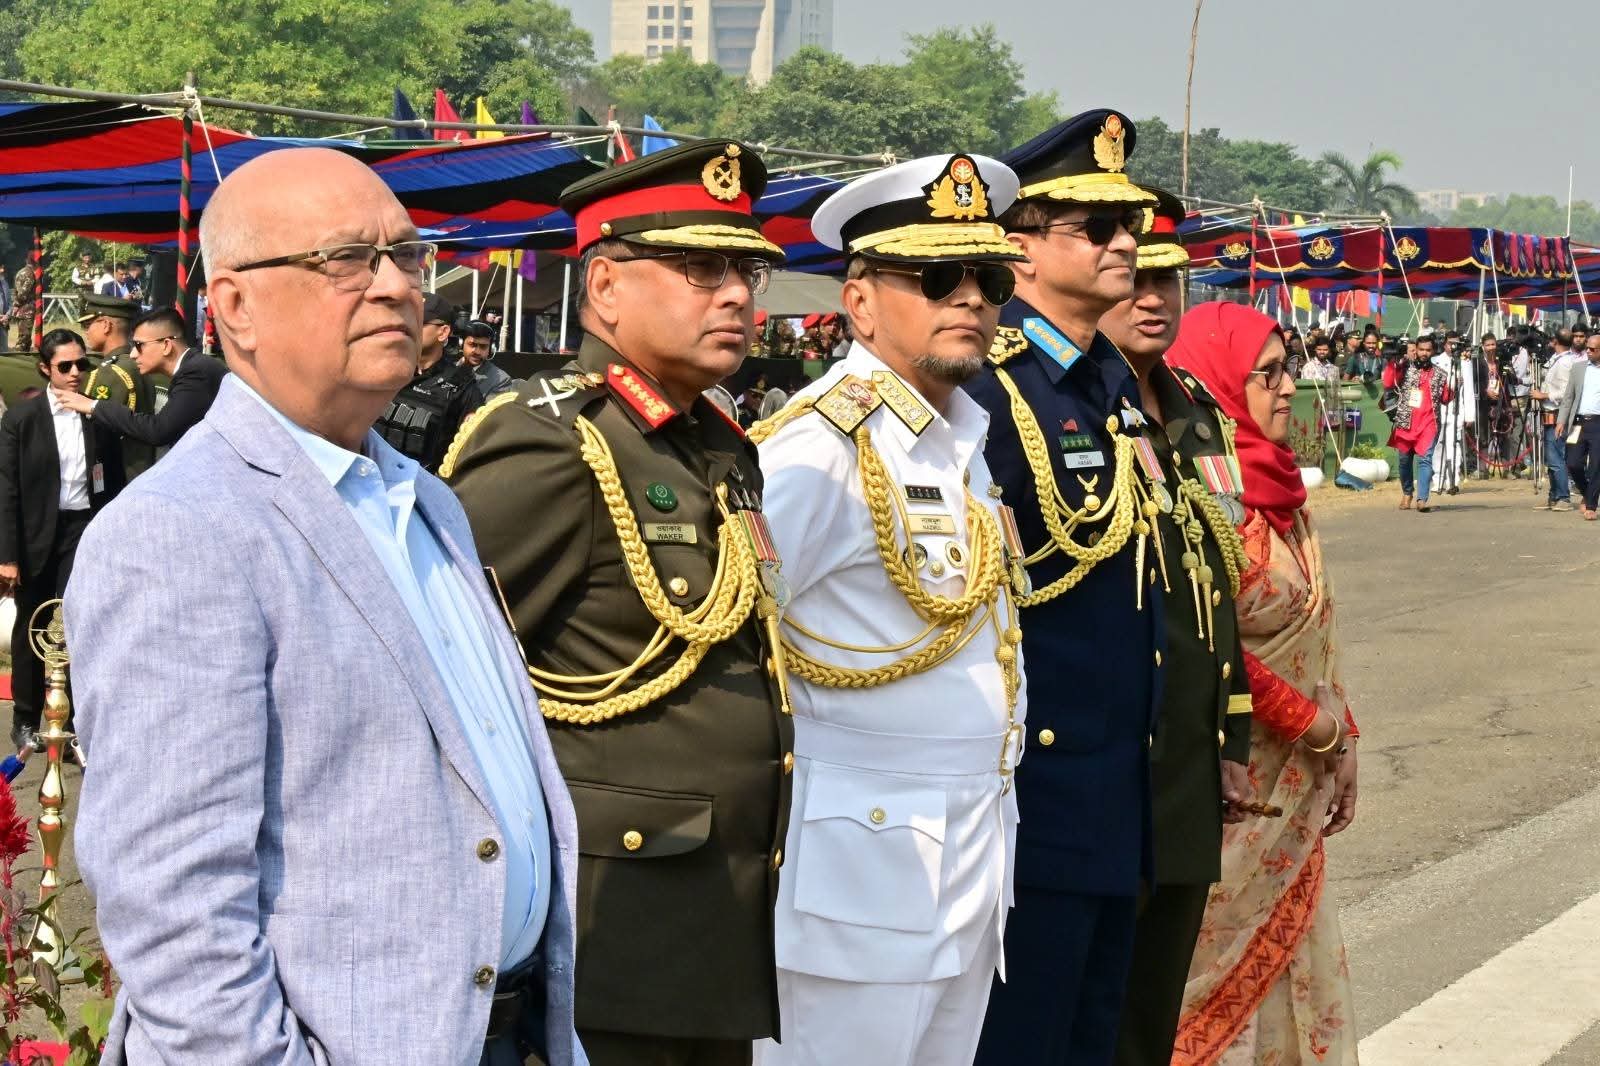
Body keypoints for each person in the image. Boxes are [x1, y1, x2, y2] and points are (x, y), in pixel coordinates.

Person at [63, 146, 584, 1066]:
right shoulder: (182, 530)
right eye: (343, 260)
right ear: (235, 309)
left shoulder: (427, 499)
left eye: (406, 256)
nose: (392, 287)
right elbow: (172, 904)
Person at [444, 139, 793, 1066]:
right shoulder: (552, 443)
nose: (734, 295)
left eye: (745, 271)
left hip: (712, 921)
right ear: (603, 287)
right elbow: (443, 675)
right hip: (610, 928)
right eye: (698, 268)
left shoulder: (714, 441)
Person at [750, 152, 1027, 1066]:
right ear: (859, 302)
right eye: (937, 278)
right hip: (860, 870)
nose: (972, 300)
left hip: (967, 850)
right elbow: (736, 635)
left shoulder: (960, 434)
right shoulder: (820, 448)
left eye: (988, 278)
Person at [963, 109, 1163, 1066]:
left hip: (1114, 790)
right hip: (1035, 802)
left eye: (1130, 225)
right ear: (1021, 245)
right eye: (1096, 226)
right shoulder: (993, 387)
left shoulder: (1103, 383)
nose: (1127, 241)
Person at [1164, 301, 1360, 1066]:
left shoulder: (1287, 495)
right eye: (1265, 375)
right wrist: (1314, 726)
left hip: (1304, 783)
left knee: (1294, 965)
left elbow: (1318, 626)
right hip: (1236, 784)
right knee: (1206, 976)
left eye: (1287, 371)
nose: (1286, 390)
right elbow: (1209, 642)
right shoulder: (1198, 497)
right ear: (1215, 385)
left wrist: (1348, 738)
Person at [1096, 189, 1254, 1066]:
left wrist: (1230, 734)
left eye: (1170, 280)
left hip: (1188, 761)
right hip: (1106, 763)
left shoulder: (1191, 406)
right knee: (1093, 1016)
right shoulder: (1061, 407)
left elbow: (1213, 583)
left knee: (1150, 1016)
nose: (1154, 297)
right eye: (1136, 278)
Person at [0, 329, 125, 749]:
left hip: (82, 529)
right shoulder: (23, 419)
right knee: (31, 622)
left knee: (76, 621)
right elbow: (7, 491)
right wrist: (8, 556)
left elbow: (114, 482)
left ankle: (74, 722)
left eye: (81, 364)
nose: (75, 373)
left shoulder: (97, 414)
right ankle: (26, 716)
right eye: (65, 366)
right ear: (45, 369)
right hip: (38, 531)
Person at [53, 306, 226, 450]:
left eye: (139, 345)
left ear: (166, 345)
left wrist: (93, 405)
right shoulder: (195, 367)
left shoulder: (196, 373)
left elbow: (159, 431)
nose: (133, 354)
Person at [374, 291, 483, 471]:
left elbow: (471, 452)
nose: (408, 327)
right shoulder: (380, 365)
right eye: (406, 319)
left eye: (420, 323)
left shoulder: (461, 386)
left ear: (443, 332)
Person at [80, 294, 158, 475]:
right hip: (141, 466)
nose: (86, 331)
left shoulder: (111, 373)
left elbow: (96, 430)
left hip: (119, 471)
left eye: (88, 324)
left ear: (106, 325)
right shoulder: (138, 365)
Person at [1383, 333, 1451, 512]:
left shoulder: (1440, 374)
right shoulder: (1405, 369)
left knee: (1425, 459)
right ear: (1416, 350)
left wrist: (1454, 385)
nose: (1424, 353)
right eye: (1421, 349)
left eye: (1428, 350)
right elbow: (1388, 382)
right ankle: (1407, 493)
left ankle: (1422, 498)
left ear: (1433, 351)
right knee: (1404, 461)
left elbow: (1445, 398)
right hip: (1406, 423)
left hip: (1429, 424)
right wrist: (1392, 362)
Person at [1532, 329, 1579, 511]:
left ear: (1554, 341)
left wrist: (1543, 395)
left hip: (1557, 413)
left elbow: (1566, 392)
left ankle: (1563, 497)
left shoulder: (1565, 362)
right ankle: (1554, 495)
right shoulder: (1559, 359)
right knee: (1551, 456)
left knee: (1556, 456)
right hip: (1550, 412)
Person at [1556, 332, 1600, 519]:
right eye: (1587, 348)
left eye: (1592, 349)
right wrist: (1561, 421)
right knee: (1572, 463)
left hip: (1598, 423)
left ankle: (1591, 505)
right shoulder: (1578, 368)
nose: (1588, 351)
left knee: (1597, 466)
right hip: (1578, 423)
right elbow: (1568, 398)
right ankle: (1587, 493)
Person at [460, 319, 515, 398]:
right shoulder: (447, 370)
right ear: (461, 344)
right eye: (472, 344)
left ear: (491, 349)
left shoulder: (501, 380)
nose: (477, 351)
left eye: (483, 347)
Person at [9, 260, 37, 354]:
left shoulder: (20, 272)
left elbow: (15, 290)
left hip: (22, 308)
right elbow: (24, 292)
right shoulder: (30, 274)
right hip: (26, 308)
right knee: (24, 339)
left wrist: (15, 303)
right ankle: (20, 358)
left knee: (24, 336)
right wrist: (17, 304)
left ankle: (23, 356)